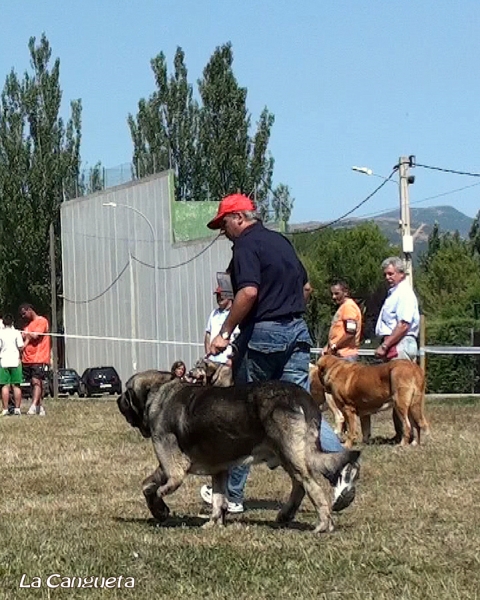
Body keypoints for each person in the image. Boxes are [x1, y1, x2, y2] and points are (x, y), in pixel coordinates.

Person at [199, 193, 359, 514]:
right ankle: (341, 465)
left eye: (224, 224)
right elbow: (306, 288)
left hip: (262, 336)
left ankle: (231, 495)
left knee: (246, 412)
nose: (223, 231)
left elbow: (248, 292)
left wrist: (225, 332)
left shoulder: (245, 246)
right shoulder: (281, 242)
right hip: (297, 331)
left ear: (240, 218)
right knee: (303, 407)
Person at [374, 257, 420, 362]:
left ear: (401, 274)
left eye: (391, 274)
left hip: (400, 344)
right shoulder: (394, 293)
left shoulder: (404, 293)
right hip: (395, 344)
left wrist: (385, 345)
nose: (387, 277)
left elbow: (403, 325)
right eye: (385, 274)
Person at [19, 303, 51, 416]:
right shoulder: (27, 325)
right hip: (27, 359)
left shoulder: (41, 321)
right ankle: (39, 406)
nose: (23, 316)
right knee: (33, 384)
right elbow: (23, 336)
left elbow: (35, 336)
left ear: (30, 310)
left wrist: (27, 337)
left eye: (24, 313)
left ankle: (33, 406)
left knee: (36, 381)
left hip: (39, 357)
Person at [324, 280, 362, 361]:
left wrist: (334, 346)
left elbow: (350, 332)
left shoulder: (349, 307)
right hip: (338, 354)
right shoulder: (344, 307)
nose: (333, 297)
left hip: (345, 355)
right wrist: (328, 346)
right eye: (332, 294)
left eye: (337, 293)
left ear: (345, 292)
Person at [204, 287, 239, 365]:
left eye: (221, 295)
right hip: (212, 361)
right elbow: (208, 334)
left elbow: (237, 338)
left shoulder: (235, 313)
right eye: (217, 295)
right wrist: (208, 354)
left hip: (227, 361)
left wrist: (232, 359)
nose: (219, 298)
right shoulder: (214, 313)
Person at [0, 314, 25, 416]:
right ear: (12, 322)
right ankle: (17, 409)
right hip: (15, 361)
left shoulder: (0, 333)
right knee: (16, 385)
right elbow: (21, 346)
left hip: (3, 361)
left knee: (5, 386)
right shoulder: (16, 333)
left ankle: (5, 409)